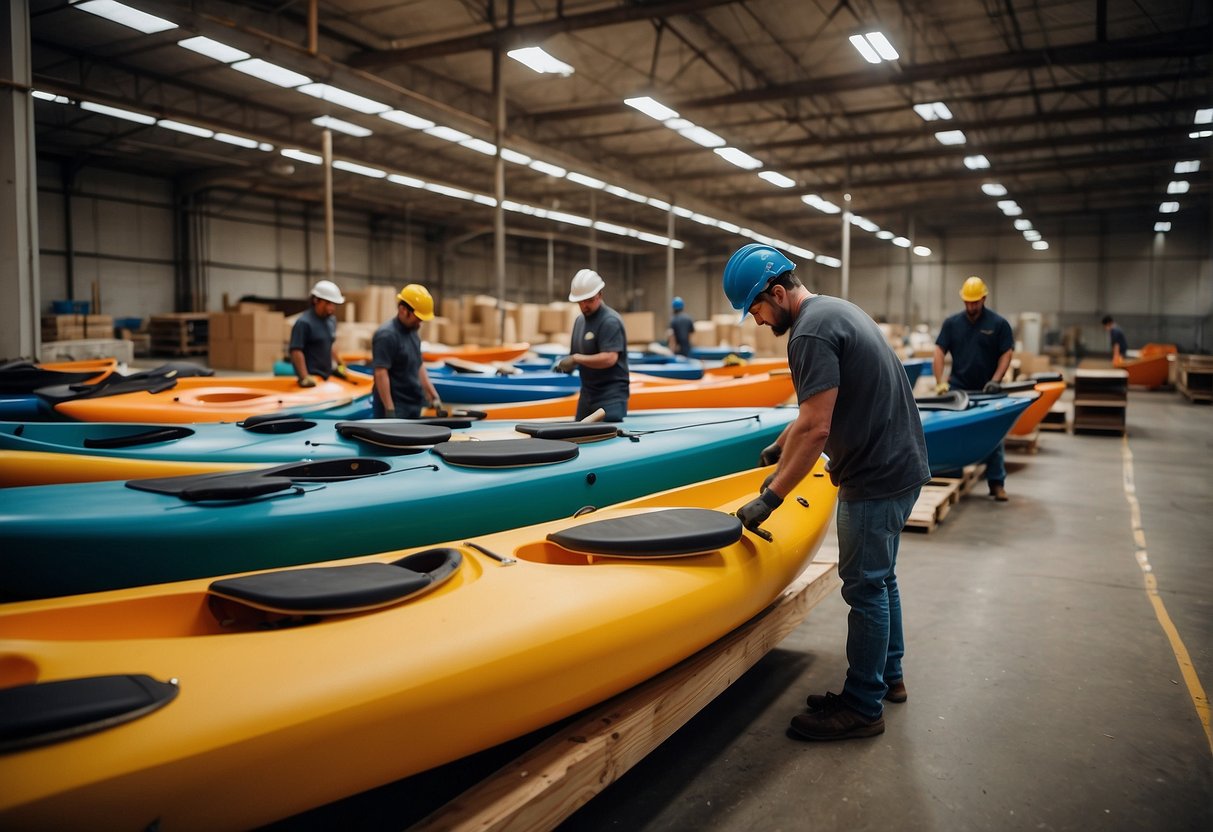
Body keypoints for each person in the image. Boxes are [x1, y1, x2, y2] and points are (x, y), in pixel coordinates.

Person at [723, 243, 929, 742]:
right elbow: (814, 412)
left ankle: (862, 705)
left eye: (756, 309)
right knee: (882, 581)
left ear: (777, 292)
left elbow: (817, 430)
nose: (756, 321)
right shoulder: (835, 309)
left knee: (863, 588)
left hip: (875, 476)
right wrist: (779, 444)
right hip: (902, 464)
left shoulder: (809, 333)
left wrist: (770, 497)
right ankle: (887, 678)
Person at [933, 275, 1014, 501]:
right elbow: (939, 351)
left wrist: (996, 380)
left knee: (994, 437)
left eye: (975, 302)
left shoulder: (998, 324)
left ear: (984, 298)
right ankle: (954, 471)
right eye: (967, 302)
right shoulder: (952, 324)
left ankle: (997, 483)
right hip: (959, 389)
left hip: (988, 390)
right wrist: (940, 383)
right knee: (954, 430)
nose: (971, 306)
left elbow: (1006, 353)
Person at [553, 268, 630, 421]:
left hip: (610, 396)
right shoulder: (579, 321)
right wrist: (563, 366)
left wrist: (576, 359)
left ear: (600, 295)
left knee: (607, 441)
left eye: (589, 300)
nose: (584, 305)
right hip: (588, 393)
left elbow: (609, 358)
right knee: (578, 437)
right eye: (580, 301)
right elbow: (575, 354)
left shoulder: (610, 321)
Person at [370, 283, 441, 419]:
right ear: (403, 310)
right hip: (396, 406)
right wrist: (389, 410)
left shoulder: (413, 332)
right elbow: (380, 373)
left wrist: (432, 395)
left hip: (413, 404)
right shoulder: (386, 335)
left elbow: (418, 364)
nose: (420, 323)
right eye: (418, 318)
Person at [289, 279, 346, 387]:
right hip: (312, 378)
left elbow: (329, 343)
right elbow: (296, 351)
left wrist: (339, 363)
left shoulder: (331, 321)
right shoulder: (304, 323)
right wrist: (304, 377)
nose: (331, 308)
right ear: (316, 300)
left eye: (333, 304)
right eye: (328, 303)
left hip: (326, 376)